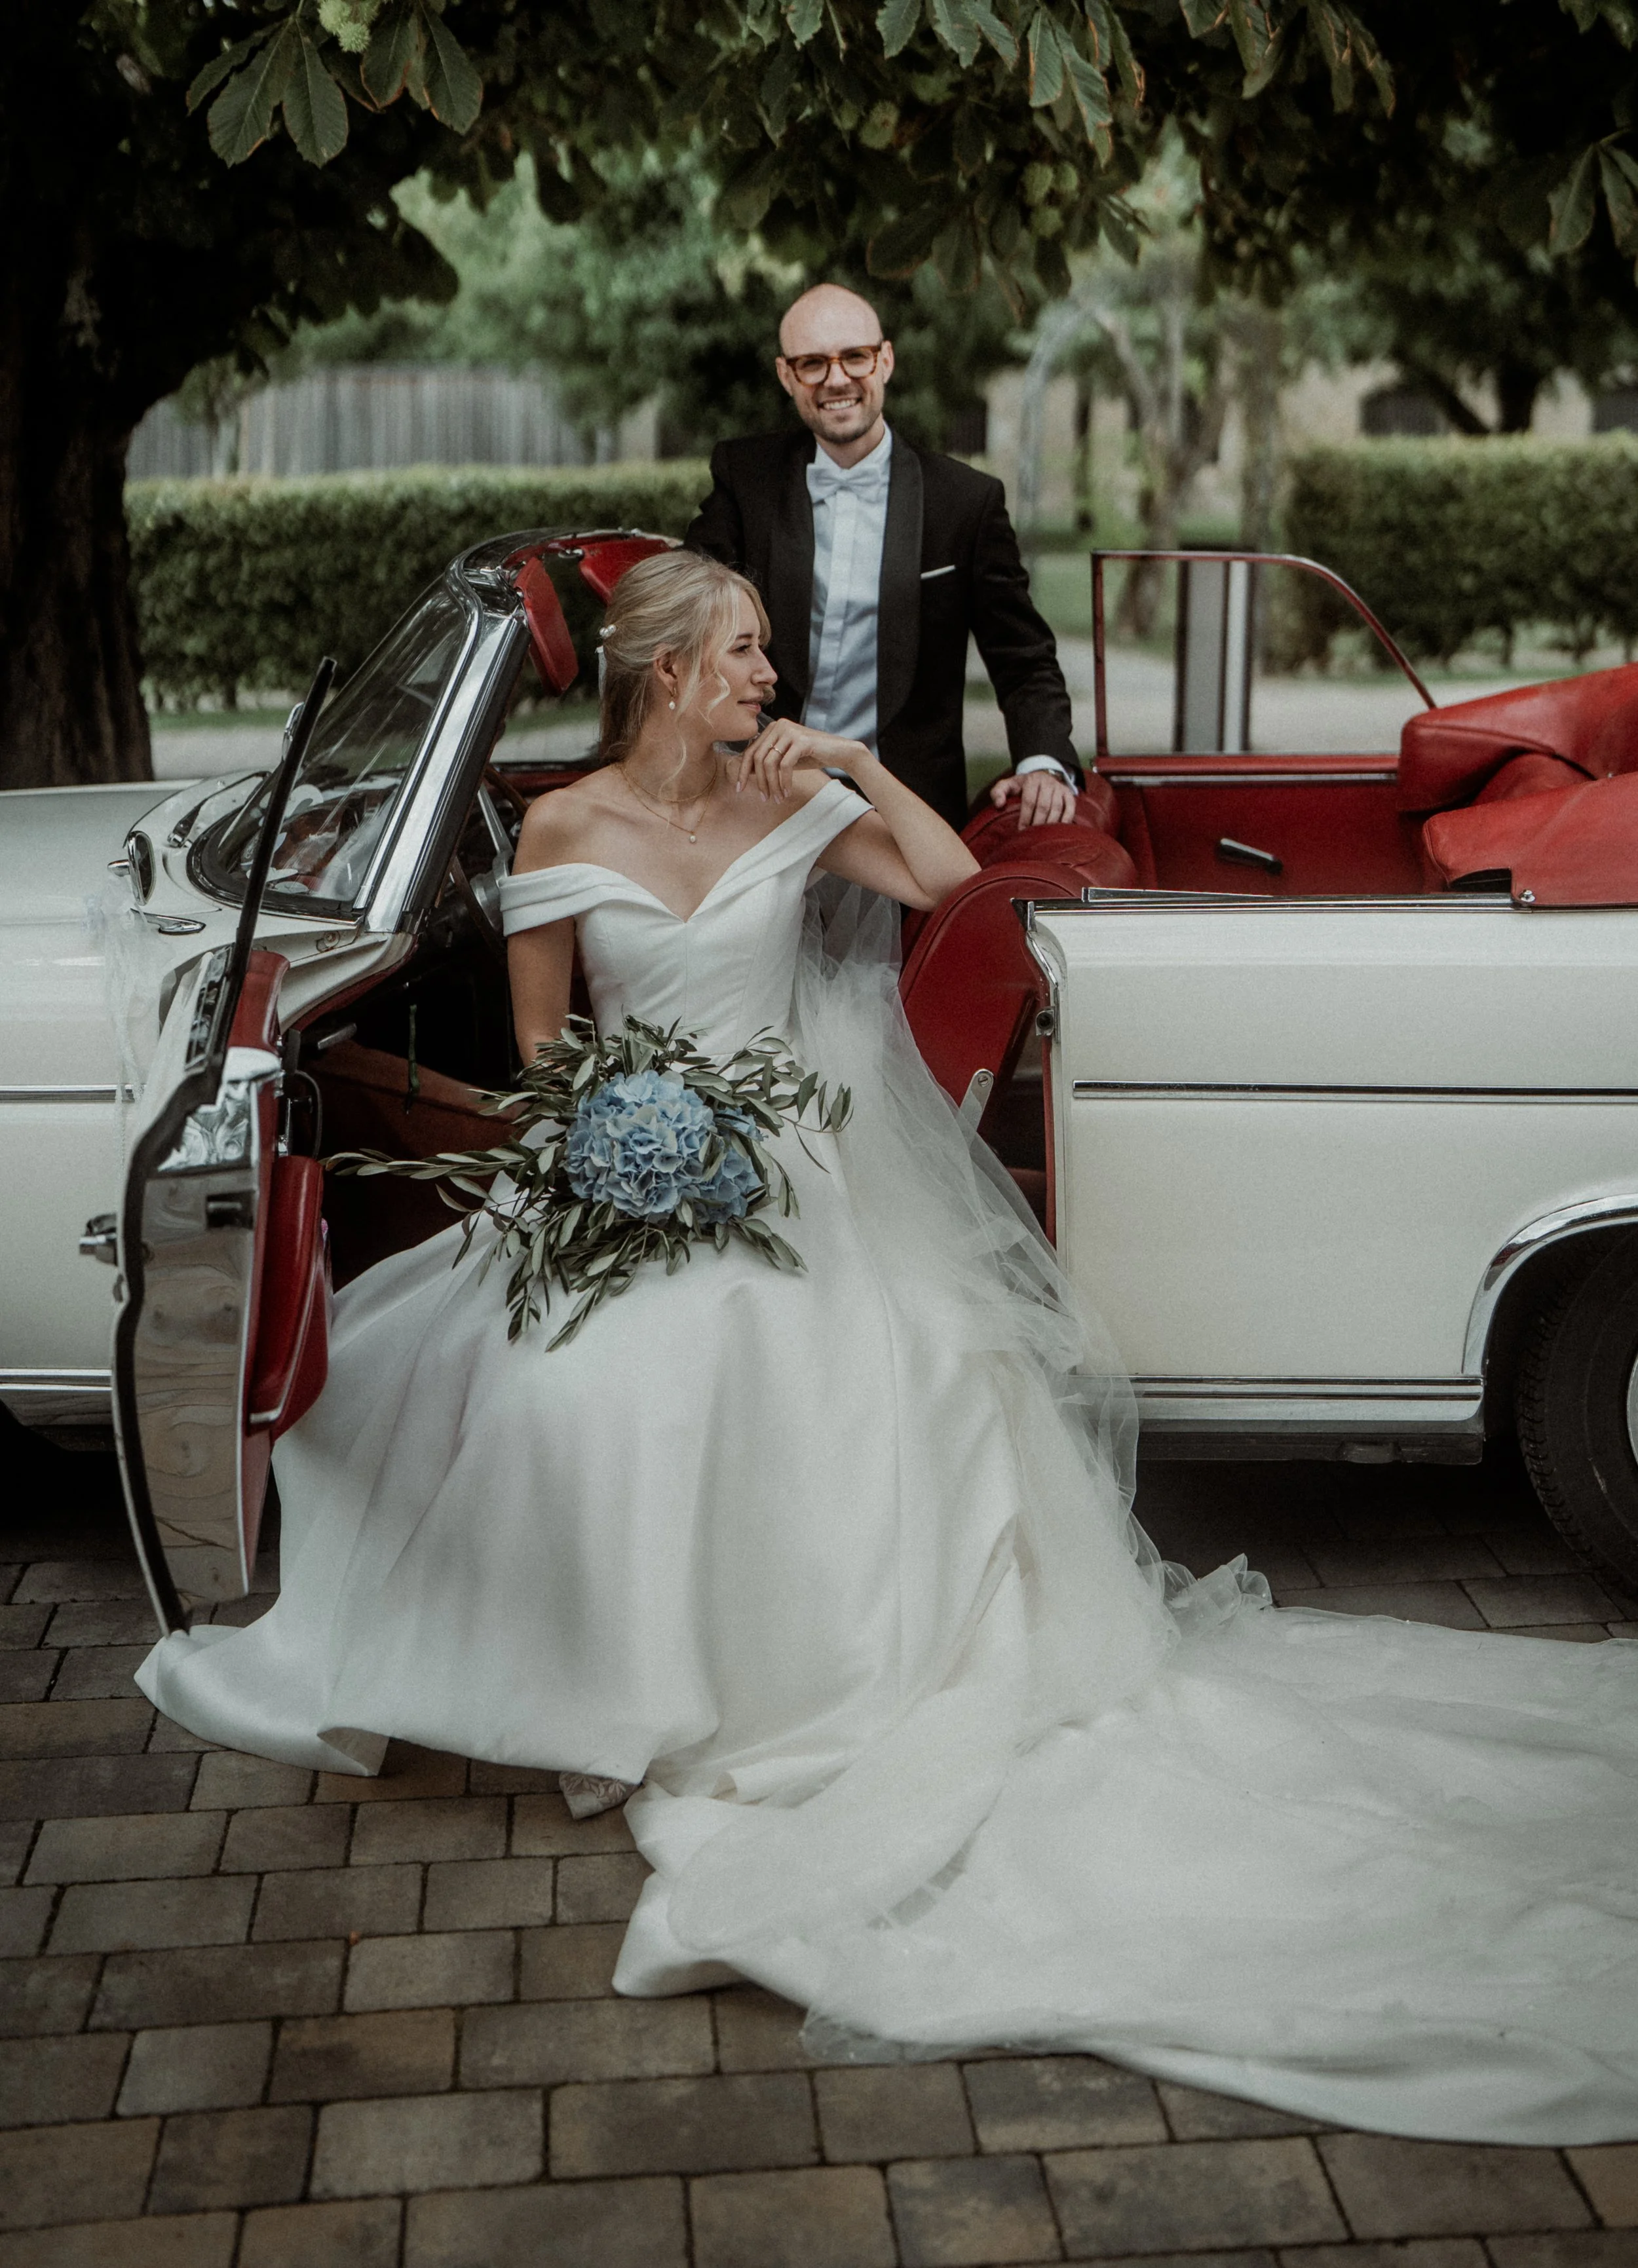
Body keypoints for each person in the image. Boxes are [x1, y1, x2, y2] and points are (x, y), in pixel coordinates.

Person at [138, 550, 1638, 2149]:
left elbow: (944, 877)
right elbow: (541, 1052)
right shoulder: (563, 830)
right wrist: (626, 1152)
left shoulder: (790, 794)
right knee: (564, 1378)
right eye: (742, 653)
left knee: (833, 1352)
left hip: (798, 1164)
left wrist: (852, 761)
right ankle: (609, 1686)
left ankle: (776, 1678)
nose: (766, 678)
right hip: (634, 1164)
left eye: (765, 652)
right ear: (666, 675)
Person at [687, 281, 1082, 834]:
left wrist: (1043, 762)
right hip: (762, 798)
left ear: (886, 361)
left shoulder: (964, 502)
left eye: (855, 357)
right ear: (786, 376)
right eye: (813, 364)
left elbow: (1023, 657)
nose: (837, 380)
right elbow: (686, 610)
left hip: (904, 808)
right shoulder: (745, 477)